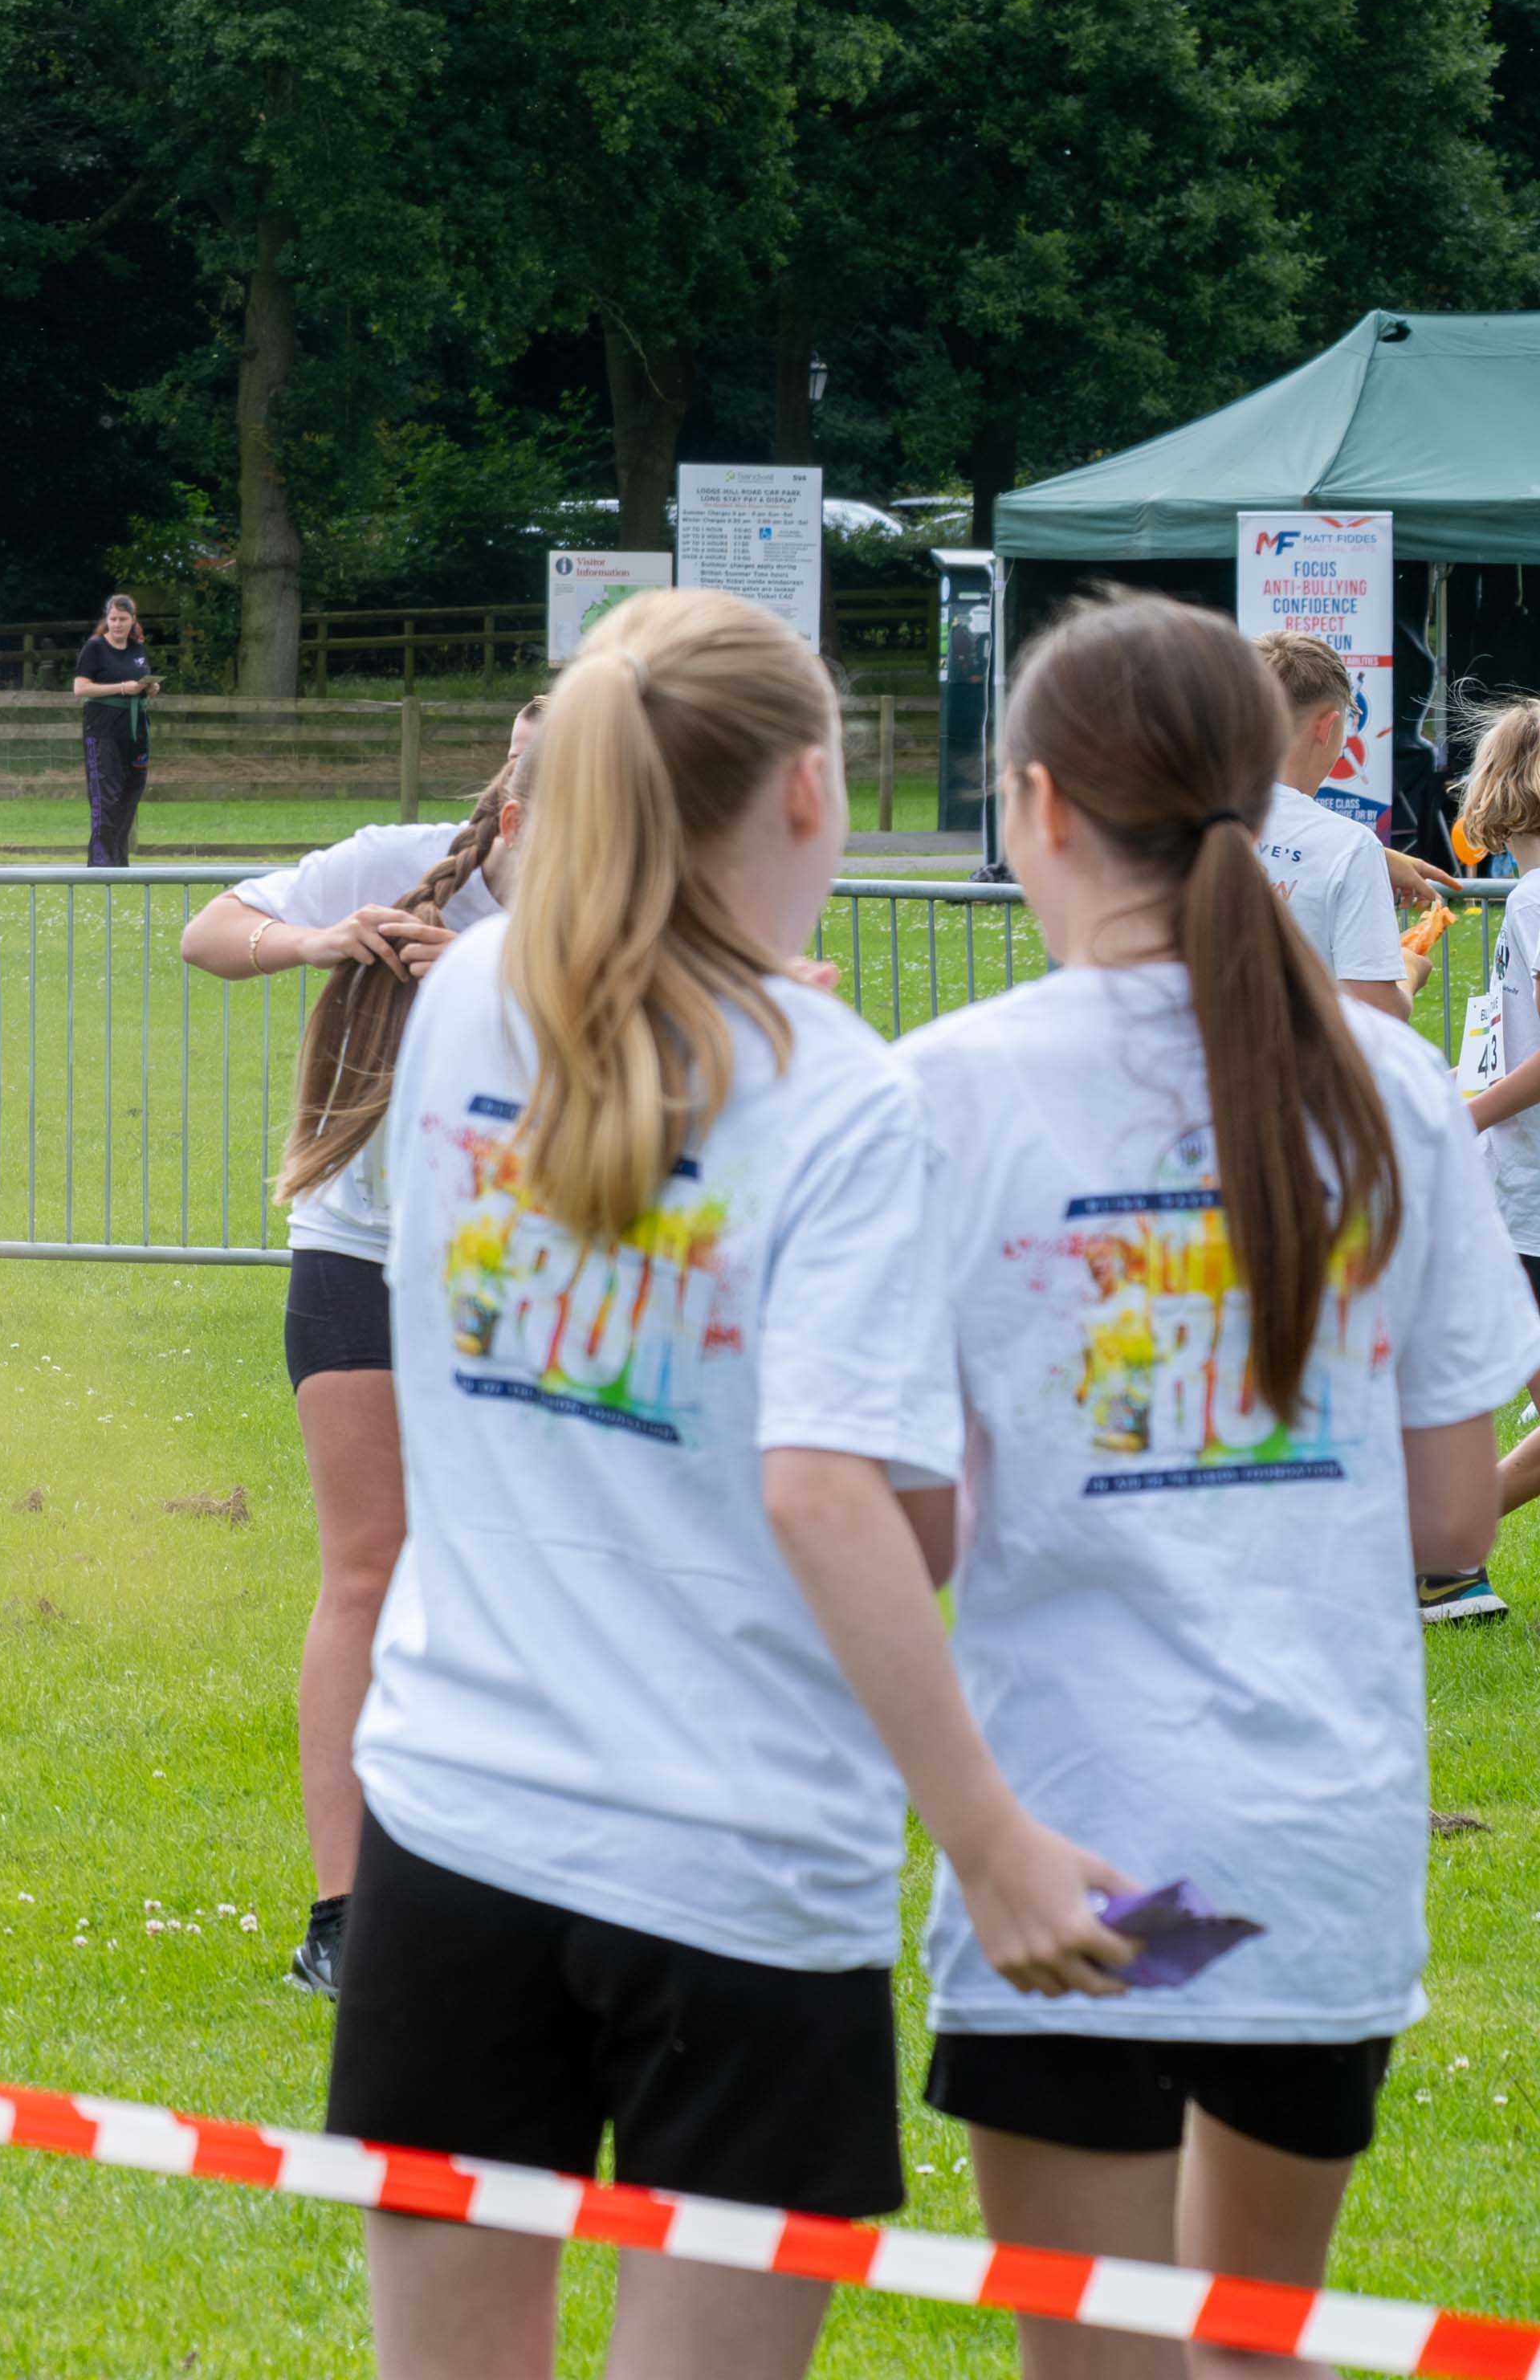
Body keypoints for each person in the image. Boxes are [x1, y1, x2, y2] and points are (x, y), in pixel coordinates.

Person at [339, 589, 1129, 2380]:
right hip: (740, 1858)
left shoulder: (466, 998)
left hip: (454, 1824)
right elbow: (835, 1498)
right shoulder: (837, 1096)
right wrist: (992, 1840)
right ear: (802, 794)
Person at [893, 594, 1538, 2377]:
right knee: (1256, 2349)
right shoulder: (1392, 1090)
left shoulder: (944, 1092)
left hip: (1063, 1830)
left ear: (1035, 807)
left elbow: (902, 1519)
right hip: (1310, 1836)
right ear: (1277, 793)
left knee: (1098, 2360)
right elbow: (1452, 1522)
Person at [173, 707, 539, 2005]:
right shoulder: (397, 854)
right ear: (509, 819)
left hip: (509, 1268)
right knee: (367, 1565)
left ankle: (495, 1885)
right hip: (357, 1251)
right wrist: (326, 938)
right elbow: (206, 931)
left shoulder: (610, 919)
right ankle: (343, 1915)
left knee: (508, 1572)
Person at [1423, 699, 1540, 1621]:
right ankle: (1428, 1557)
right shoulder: (1529, 898)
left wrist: (1466, 1117)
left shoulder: (1537, 897)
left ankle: (1425, 1556)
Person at [1248, 631, 1410, 1021]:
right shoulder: (1349, 847)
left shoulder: (1174, 818)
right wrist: (1412, 971)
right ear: (1328, 726)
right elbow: (1376, 1011)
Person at [73, 597, 159, 867]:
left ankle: (120, 863)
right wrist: (122, 687)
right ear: (106, 620)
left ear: (133, 619)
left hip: (134, 731)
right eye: (113, 619)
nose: (118, 624)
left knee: (131, 791)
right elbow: (81, 689)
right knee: (106, 795)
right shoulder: (95, 648)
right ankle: (100, 864)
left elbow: (140, 679)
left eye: (123, 619)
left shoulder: (138, 649)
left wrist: (150, 689)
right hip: (102, 731)